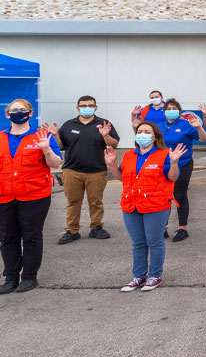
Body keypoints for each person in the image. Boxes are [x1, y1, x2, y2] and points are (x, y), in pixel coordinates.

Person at [104, 122, 182, 292]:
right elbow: (122, 177)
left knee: (154, 241)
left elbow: (173, 177)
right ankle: (139, 276)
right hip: (131, 204)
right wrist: (112, 165)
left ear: (155, 136)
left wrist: (174, 162)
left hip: (156, 205)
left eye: (147, 131)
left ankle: (155, 275)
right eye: (140, 131)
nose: (142, 134)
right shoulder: (129, 155)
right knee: (138, 242)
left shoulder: (164, 154)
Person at [0, 99, 62, 294]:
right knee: (7, 238)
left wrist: (46, 149)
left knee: (31, 236)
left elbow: (55, 164)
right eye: (14, 110)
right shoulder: (0, 137)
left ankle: (29, 277)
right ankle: (10, 277)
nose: (19, 112)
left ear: (30, 113)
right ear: (7, 114)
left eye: (23, 109)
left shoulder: (42, 136)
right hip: (4, 196)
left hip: (34, 196)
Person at [51, 95, 119, 244]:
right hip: (72, 171)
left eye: (90, 105)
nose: (87, 108)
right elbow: (60, 146)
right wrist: (55, 135)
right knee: (73, 202)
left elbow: (114, 144)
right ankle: (72, 230)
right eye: (83, 106)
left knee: (96, 202)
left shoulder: (103, 124)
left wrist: (106, 136)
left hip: (96, 170)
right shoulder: (68, 125)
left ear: (95, 107)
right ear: (77, 108)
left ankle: (96, 227)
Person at [155, 99, 206, 242]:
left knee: (179, 195)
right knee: (163, 196)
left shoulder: (186, 124)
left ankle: (182, 228)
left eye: (174, 108)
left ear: (179, 111)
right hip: (163, 166)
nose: (171, 111)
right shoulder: (159, 126)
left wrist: (199, 127)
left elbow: (203, 139)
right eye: (168, 109)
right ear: (164, 112)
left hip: (182, 164)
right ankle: (163, 227)